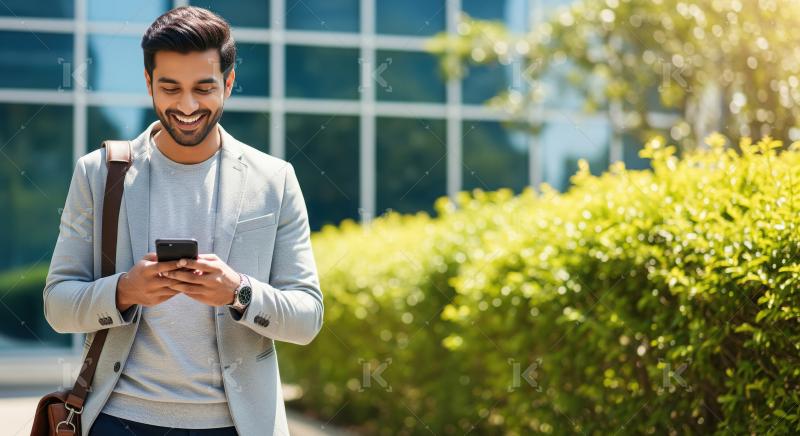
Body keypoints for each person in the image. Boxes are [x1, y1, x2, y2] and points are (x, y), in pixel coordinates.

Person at [42, 6, 323, 435]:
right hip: (120, 421)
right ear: (149, 83)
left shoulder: (275, 180)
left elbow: (307, 318)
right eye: (170, 87)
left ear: (228, 84)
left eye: (203, 88)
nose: (187, 105)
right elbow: (58, 305)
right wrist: (124, 290)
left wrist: (239, 292)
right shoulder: (99, 173)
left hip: (238, 425)